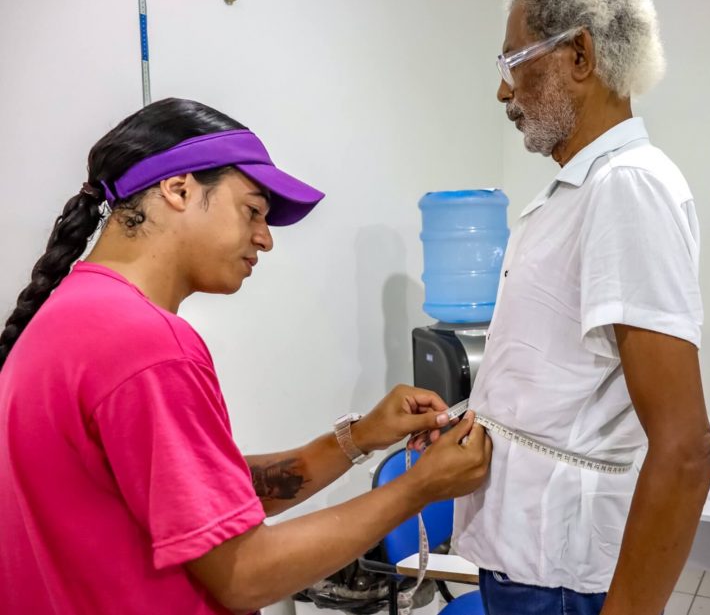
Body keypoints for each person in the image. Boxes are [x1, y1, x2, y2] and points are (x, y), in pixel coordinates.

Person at [0, 97, 492, 614]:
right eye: (252, 210)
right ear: (179, 189)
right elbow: (244, 576)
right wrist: (419, 487)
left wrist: (361, 436)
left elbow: (204, 502)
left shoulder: (71, 316)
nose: (265, 239)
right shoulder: (146, 345)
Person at [452, 0, 710, 614]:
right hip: (524, 555)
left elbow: (686, 449)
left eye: (513, 62)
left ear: (579, 56)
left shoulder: (628, 189)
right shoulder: (579, 192)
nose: (502, 93)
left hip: (559, 571)